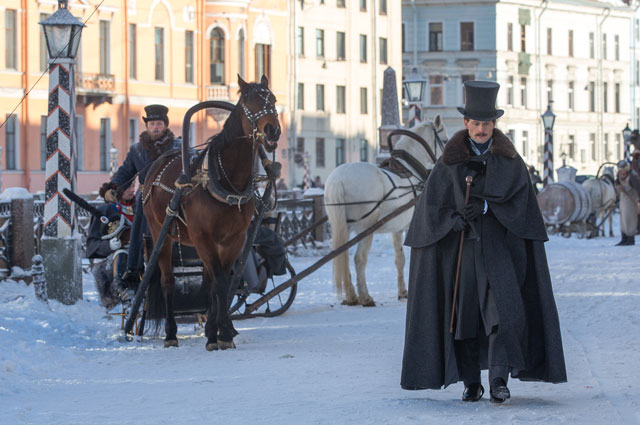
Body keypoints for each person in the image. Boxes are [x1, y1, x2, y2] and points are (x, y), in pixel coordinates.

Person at [401, 80, 566, 403]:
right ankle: (470, 383)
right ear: (466, 124)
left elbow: (523, 205)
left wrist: (489, 207)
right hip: (461, 253)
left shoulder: (510, 162)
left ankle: (499, 381)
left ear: (494, 125)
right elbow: (430, 209)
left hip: (500, 252)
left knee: (503, 314)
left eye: (486, 124)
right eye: (475, 123)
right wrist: (453, 219)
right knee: (464, 320)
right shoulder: (448, 163)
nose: (481, 129)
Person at [99, 104, 180, 284]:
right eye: (152, 124)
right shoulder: (137, 150)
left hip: (173, 200)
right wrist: (111, 189)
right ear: (147, 127)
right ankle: (135, 272)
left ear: (165, 125)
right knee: (140, 236)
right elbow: (125, 173)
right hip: (147, 202)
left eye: (159, 123)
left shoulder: (177, 147)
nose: (155, 127)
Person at [87, 184, 135, 310]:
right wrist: (109, 245)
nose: (131, 190)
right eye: (127, 187)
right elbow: (93, 244)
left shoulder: (141, 206)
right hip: (115, 260)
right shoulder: (105, 211)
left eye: (133, 186)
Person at [614, 160, 640, 246]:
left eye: (623, 169)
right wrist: (618, 186)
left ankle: (630, 239)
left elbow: (639, 188)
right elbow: (617, 181)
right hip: (623, 198)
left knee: (630, 218)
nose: (622, 171)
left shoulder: (632, 176)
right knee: (623, 219)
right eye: (620, 169)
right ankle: (624, 238)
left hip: (632, 199)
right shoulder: (619, 175)